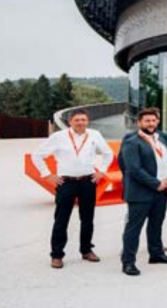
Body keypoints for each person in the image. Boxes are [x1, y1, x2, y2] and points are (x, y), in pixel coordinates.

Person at [31, 109, 113, 269]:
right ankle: (57, 255)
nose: (80, 122)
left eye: (83, 119)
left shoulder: (94, 134)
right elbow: (37, 155)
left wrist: (102, 172)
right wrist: (47, 174)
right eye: (77, 120)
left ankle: (86, 250)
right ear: (70, 122)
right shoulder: (58, 137)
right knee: (61, 220)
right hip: (66, 183)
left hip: (88, 181)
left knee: (87, 219)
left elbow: (108, 153)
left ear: (87, 121)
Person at [118, 108, 167, 276]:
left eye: (153, 120)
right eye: (147, 121)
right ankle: (128, 262)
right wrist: (156, 183)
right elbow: (133, 169)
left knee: (156, 224)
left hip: (162, 191)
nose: (151, 124)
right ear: (139, 123)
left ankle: (156, 254)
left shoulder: (162, 137)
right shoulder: (131, 141)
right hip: (140, 192)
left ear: (157, 121)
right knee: (133, 228)